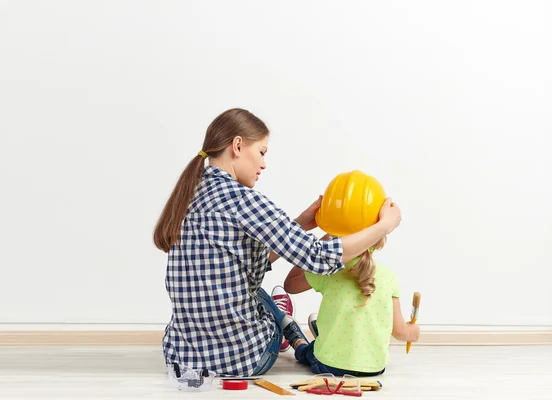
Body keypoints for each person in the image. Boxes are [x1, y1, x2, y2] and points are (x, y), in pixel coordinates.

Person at [153, 108, 402, 377]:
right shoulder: (245, 201)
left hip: (182, 358)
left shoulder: (188, 196)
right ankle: (284, 323)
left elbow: (240, 260)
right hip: (245, 358)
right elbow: (318, 257)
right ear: (238, 145)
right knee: (260, 295)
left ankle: (279, 314)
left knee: (240, 285)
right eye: (262, 152)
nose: (263, 164)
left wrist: (301, 224)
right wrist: (382, 226)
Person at [283, 233, 420, 377]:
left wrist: (315, 248)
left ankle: (298, 342)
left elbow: (290, 285)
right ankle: (329, 335)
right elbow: (399, 331)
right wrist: (412, 332)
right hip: (374, 368)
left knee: (309, 351)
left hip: (328, 366)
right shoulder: (388, 276)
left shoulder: (329, 269)